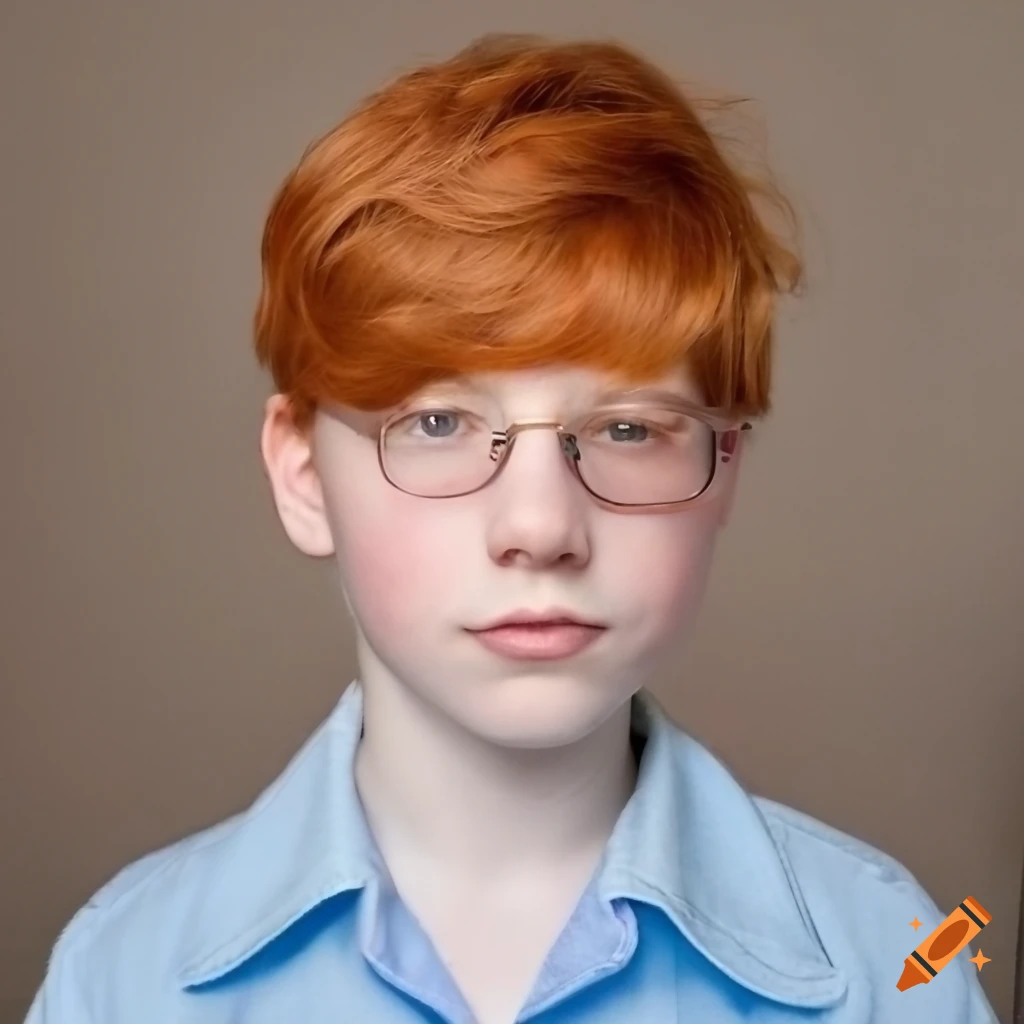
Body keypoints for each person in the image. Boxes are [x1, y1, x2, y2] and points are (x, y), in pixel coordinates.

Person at [27, 32, 998, 1024]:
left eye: (627, 428)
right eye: (438, 423)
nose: (539, 527)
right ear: (303, 471)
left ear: (723, 471)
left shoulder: (891, 966)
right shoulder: (125, 978)